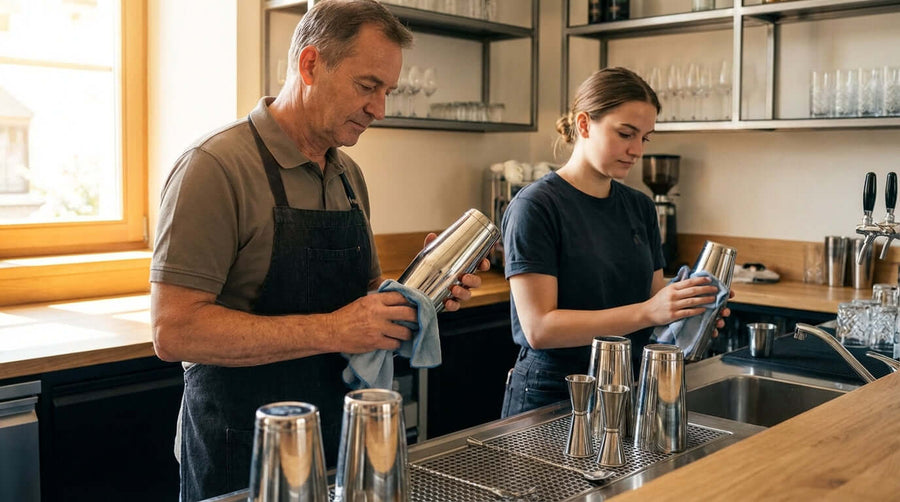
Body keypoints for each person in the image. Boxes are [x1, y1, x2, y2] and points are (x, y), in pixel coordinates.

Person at [149, 2, 487, 500]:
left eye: (387, 91)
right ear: (310, 65)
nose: (381, 108)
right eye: (367, 86)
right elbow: (173, 331)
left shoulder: (349, 175)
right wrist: (335, 329)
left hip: (338, 441)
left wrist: (423, 292)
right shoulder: (214, 168)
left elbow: (363, 292)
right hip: (241, 448)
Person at [500, 67, 730, 418]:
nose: (636, 150)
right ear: (583, 125)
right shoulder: (535, 207)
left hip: (626, 384)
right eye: (626, 134)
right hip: (554, 393)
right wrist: (648, 311)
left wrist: (688, 309)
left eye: (645, 138)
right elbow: (540, 329)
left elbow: (652, 309)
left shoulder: (639, 206)